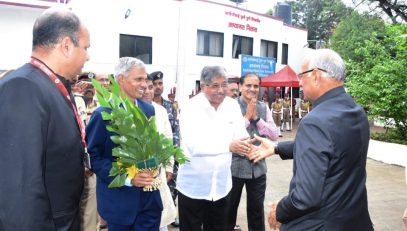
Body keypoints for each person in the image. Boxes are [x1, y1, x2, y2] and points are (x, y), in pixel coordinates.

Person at [249, 49, 373, 230]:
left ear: (315, 75)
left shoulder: (315, 121)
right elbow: (331, 146)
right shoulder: (356, 111)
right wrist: (276, 148)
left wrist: (279, 211)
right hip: (355, 220)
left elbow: (304, 198)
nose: (299, 81)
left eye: (302, 75)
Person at [0, 7, 90, 230]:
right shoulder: (24, 87)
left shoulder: (51, 85)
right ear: (66, 46)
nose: (88, 56)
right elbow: (19, 190)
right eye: (86, 48)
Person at [86, 57, 162, 231]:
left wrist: (154, 164)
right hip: (121, 205)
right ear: (121, 79)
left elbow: (150, 148)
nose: (144, 84)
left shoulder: (148, 109)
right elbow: (94, 159)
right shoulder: (103, 114)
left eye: (145, 79)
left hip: (150, 203)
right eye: (138, 79)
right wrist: (128, 178)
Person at [176, 66, 251, 231]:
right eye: (215, 85)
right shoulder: (190, 108)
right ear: (202, 87)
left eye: (224, 84)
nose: (221, 90)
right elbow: (194, 145)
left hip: (222, 187)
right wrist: (229, 145)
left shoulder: (232, 106)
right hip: (193, 187)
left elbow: (241, 134)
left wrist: (248, 145)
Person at [227, 73, 279, 231]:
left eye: (256, 86)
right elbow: (228, 133)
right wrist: (248, 116)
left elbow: (274, 134)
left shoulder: (263, 107)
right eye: (248, 85)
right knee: (228, 210)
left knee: (256, 211)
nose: (252, 89)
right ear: (241, 87)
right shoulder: (230, 106)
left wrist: (257, 117)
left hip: (258, 167)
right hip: (234, 167)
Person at [143, 75, 177, 231]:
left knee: (161, 211)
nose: (148, 91)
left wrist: (169, 166)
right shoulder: (129, 109)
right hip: (138, 171)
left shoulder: (161, 111)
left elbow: (168, 140)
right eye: (145, 88)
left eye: (151, 87)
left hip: (160, 169)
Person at [151, 71, 181, 226]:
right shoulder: (145, 105)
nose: (157, 87)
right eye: (154, 84)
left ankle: (171, 214)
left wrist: (174, 151)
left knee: (172, 185)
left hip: (170, 153)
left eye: (160, 83)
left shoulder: (170, 106)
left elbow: (175, 129)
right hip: (154, 157)